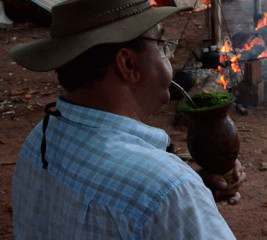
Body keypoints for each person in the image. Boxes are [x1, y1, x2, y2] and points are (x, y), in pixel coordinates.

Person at [9, 0, 245, 239]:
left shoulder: (38, 141)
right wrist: (184, 199)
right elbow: (150, 194)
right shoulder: (169, 190)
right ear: (128, 64)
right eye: (163, 45)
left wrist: (190, 196)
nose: (170, 58)